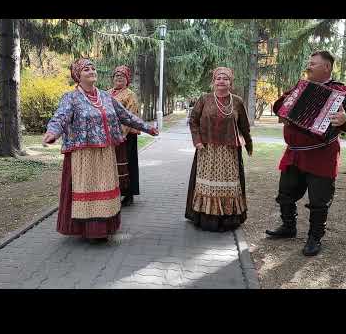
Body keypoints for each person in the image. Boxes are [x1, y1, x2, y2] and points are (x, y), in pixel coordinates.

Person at [43, 58, 158, 240]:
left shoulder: (105, 97)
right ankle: (88, 230)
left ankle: (105, 228)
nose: (91, 71)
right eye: (86, 69)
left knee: (105, 189)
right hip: (84, 154)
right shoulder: (71, 98)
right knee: (88, 190)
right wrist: (52, 132)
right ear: (77, 75)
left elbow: (126, 116)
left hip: (105, 153)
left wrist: (147, 127)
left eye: (93, 68)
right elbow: (60, 117)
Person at [266, 50, 346, 256]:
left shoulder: (340, 91)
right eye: (309, 63)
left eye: (313, 64)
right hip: (294, 153)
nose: (308, 66)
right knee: (285, 193)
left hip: (322, 154)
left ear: (326, 67)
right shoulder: (300, 87)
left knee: (319, 200)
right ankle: (288, 227)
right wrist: (287, 103)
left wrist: (345, 119)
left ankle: (314, 238)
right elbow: (279, 106)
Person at [185, 67, 253, 232]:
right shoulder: (204, 99)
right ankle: (206, 217)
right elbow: (193, 120)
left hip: (229, 151)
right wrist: (197, 140)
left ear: (230, 82)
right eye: (218, 78)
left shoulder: (236, 101)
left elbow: (244, 125)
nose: (221, 81)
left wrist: (249, 143)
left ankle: (227, 218)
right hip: (207, 150)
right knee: (207, 184)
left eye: (225, 78)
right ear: (213, 82)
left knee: (229, 184)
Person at [107, 65, 141, 207]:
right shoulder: (106, 93)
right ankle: (112, 191)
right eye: (116, 76)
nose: (118, 78)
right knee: (111, 164)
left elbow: (130, 115)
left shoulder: (130, 95)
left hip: (126, 136)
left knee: (127, 164)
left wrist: (120, 134)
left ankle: (128, 194)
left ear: (127, 80)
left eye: (122, 76)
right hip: (108, 135)